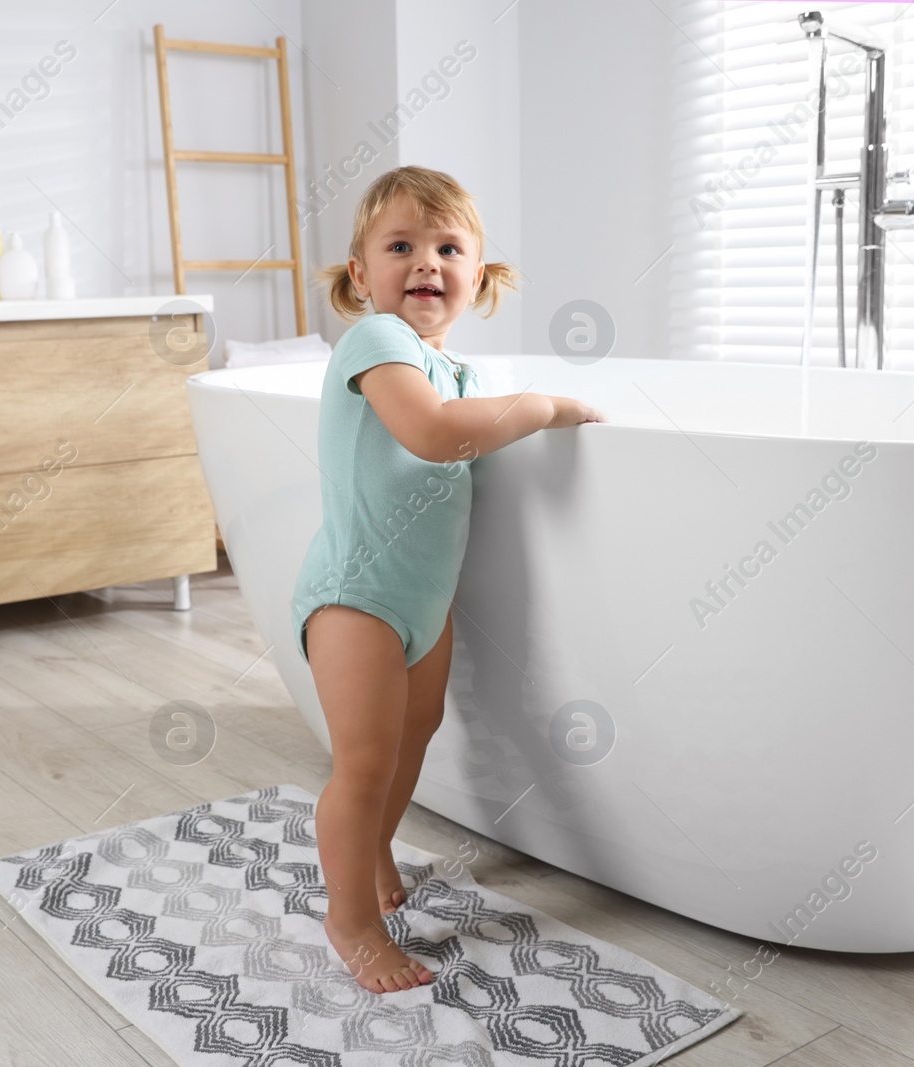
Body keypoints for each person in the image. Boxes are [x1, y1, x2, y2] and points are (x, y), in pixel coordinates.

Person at [289, 165, 607, 993]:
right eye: (400, 246)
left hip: (423, 605)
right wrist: (542, 406)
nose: (425, 263)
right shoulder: (376, 341)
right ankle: (350, 920)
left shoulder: (458, 372)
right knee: (362, 760)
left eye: (447, 248)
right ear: (360, 275)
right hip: (357, 594)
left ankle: (375, 847)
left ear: (480, 277)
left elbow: (460, 421)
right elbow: (431, 435)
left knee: (410, 740)